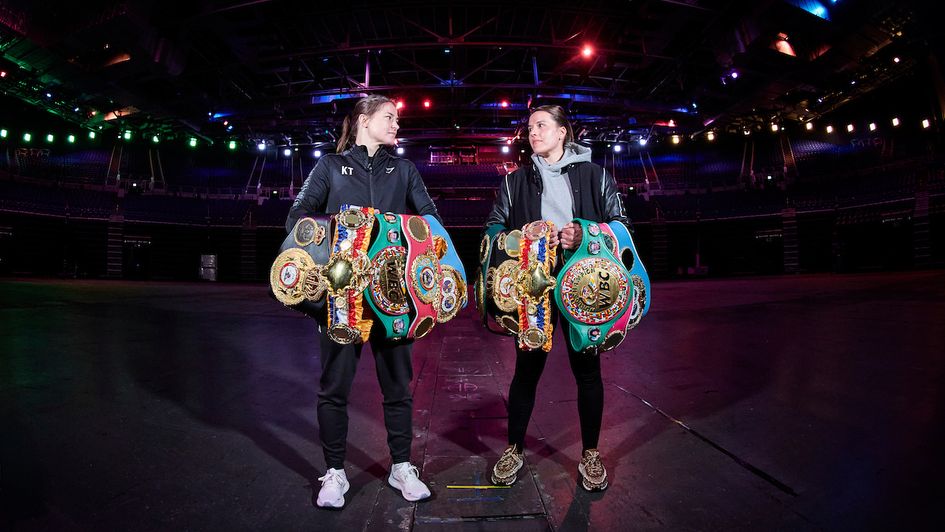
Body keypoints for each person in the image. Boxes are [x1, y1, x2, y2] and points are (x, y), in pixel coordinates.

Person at [286, 94, 438, 508]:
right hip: (342, 298)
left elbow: (432, 221)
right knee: (334, 389)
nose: (396, 125)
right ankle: (334, 472)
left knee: (399, 389)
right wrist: (338, 229)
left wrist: (402, 231)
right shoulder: (330, 167)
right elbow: (296, 216)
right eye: (389, 117)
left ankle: (401, 467)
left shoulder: (404, 170)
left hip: (394, 297)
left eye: (397, 119)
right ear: (364, 120)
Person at [483, 104, 629, 491]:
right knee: (526, 372)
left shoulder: (597, 176)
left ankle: (591, 453)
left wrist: (584, 233)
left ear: (563, 132)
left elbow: (621, 225)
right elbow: (495, 225)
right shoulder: (514, 182)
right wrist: (519, 238)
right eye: (530, 127)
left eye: (542, 126)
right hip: (534, 288)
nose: (533, 133)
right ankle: (514, 448)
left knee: (588, 372)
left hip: (584, 285)